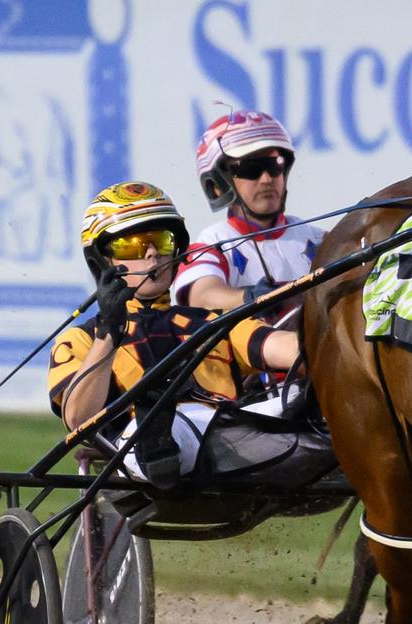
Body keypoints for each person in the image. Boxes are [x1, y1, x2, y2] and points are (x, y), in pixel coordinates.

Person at [47, 181, 331, 489]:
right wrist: (109, 335)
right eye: (132, 245)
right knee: (166, 424)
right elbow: (78, 421)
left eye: (162, 241)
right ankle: (160, 435)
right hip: (139, 447)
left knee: (299, 396)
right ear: (103, 262)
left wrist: (342, 348)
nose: (152, 254)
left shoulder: (211, 322)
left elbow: (283, 348)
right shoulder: (80, 340)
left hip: (232, 429)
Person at [175, 110, 325, 332]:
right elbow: (202, 298)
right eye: (251, 169)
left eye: (275, 165)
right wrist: (251, 297)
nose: (267, 179)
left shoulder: (321, 239)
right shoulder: (210, 244)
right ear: (218, 183)